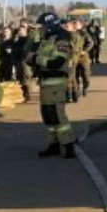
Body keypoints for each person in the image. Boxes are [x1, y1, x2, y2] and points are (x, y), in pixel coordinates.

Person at [34, 13, 75, 157]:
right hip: (45, 84)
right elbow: (38, 58)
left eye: (43, 26)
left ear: (50, 26)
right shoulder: (47, 41)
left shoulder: (61, 41)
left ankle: (69, 146)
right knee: (48, 116)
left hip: (56, 84)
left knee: (58, 116)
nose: (42, 29)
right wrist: (31, 59)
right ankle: (53, 145)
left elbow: (57, 62)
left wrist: (37, 59)